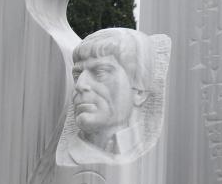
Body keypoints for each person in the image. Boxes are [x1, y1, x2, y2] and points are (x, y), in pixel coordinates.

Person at [65, 27, 155, 164]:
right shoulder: (63, 155)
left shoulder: (154, 157)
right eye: (77, 75)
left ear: (139, 92)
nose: (79, 85)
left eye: (100, 72)